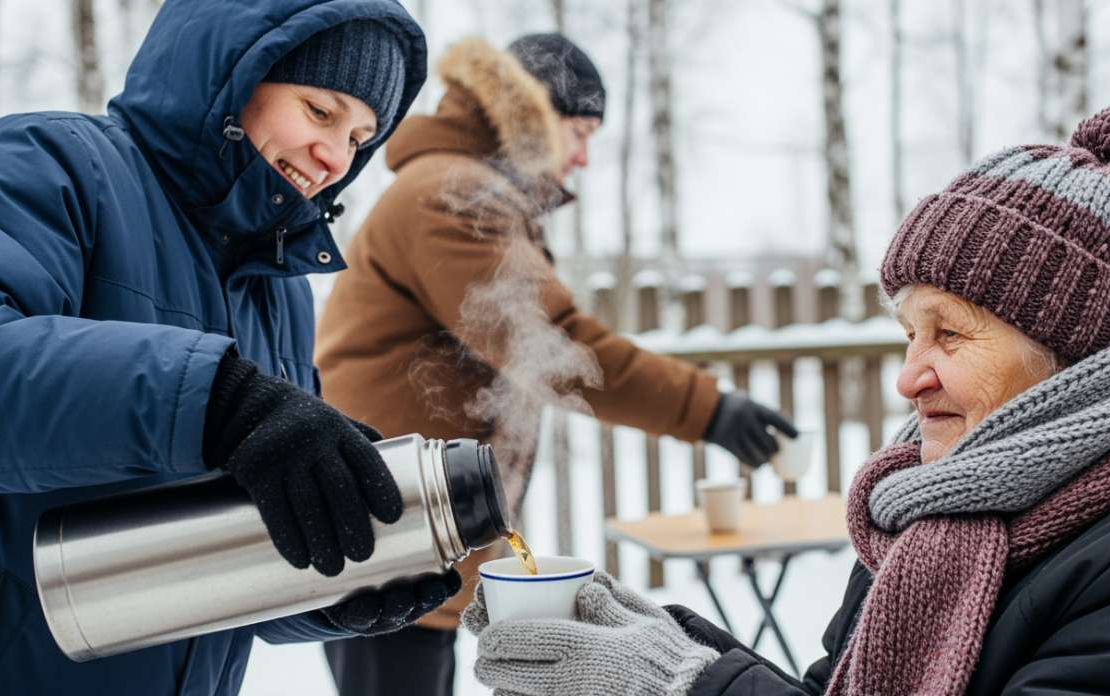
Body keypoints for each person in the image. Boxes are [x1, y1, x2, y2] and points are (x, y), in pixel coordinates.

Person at [461, 102, 1110, 695]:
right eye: (908, 333)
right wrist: (655, 637)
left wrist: (681, 684)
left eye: (951, 334)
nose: (909, 377)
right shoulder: (944, 502)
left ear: (1076, 352)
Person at [0, 1, 460, 694]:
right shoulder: (54, 165)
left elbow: (223, 561)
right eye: (320, 111)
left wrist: (326, 588)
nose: (337, 159)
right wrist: (217, 403)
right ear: (231, 76)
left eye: (361, 139)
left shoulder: (281, 292)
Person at [314, 33, 797, 696]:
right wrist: (707, 409)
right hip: (388, 528)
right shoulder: (451, 196)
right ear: (531, 113)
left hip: (413, 526)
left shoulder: (467, 188)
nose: (584, 157)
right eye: (580, 130)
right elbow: (557, 349)